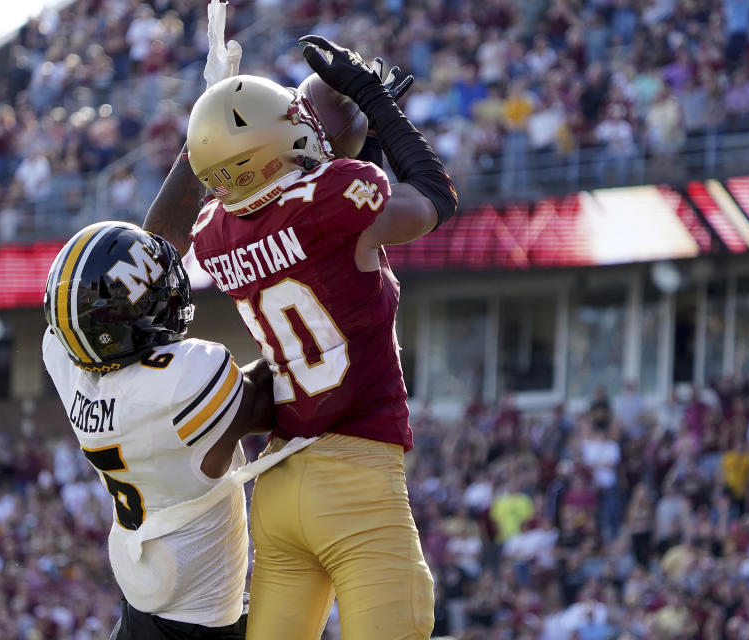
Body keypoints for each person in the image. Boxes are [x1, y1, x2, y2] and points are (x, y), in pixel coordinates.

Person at [144, 36, 457, 640]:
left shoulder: (213, 231)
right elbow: (434, 197)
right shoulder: (336, 196)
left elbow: (164, 242)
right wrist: (372, 99)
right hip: (358, 479)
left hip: (280, 485)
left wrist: (201, 139)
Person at [42, 221, 282, 639]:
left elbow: (158, 238)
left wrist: (197, 157)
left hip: (142, 599)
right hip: (199, 625)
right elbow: (276, 392)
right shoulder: (180, 384)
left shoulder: (71, 361)